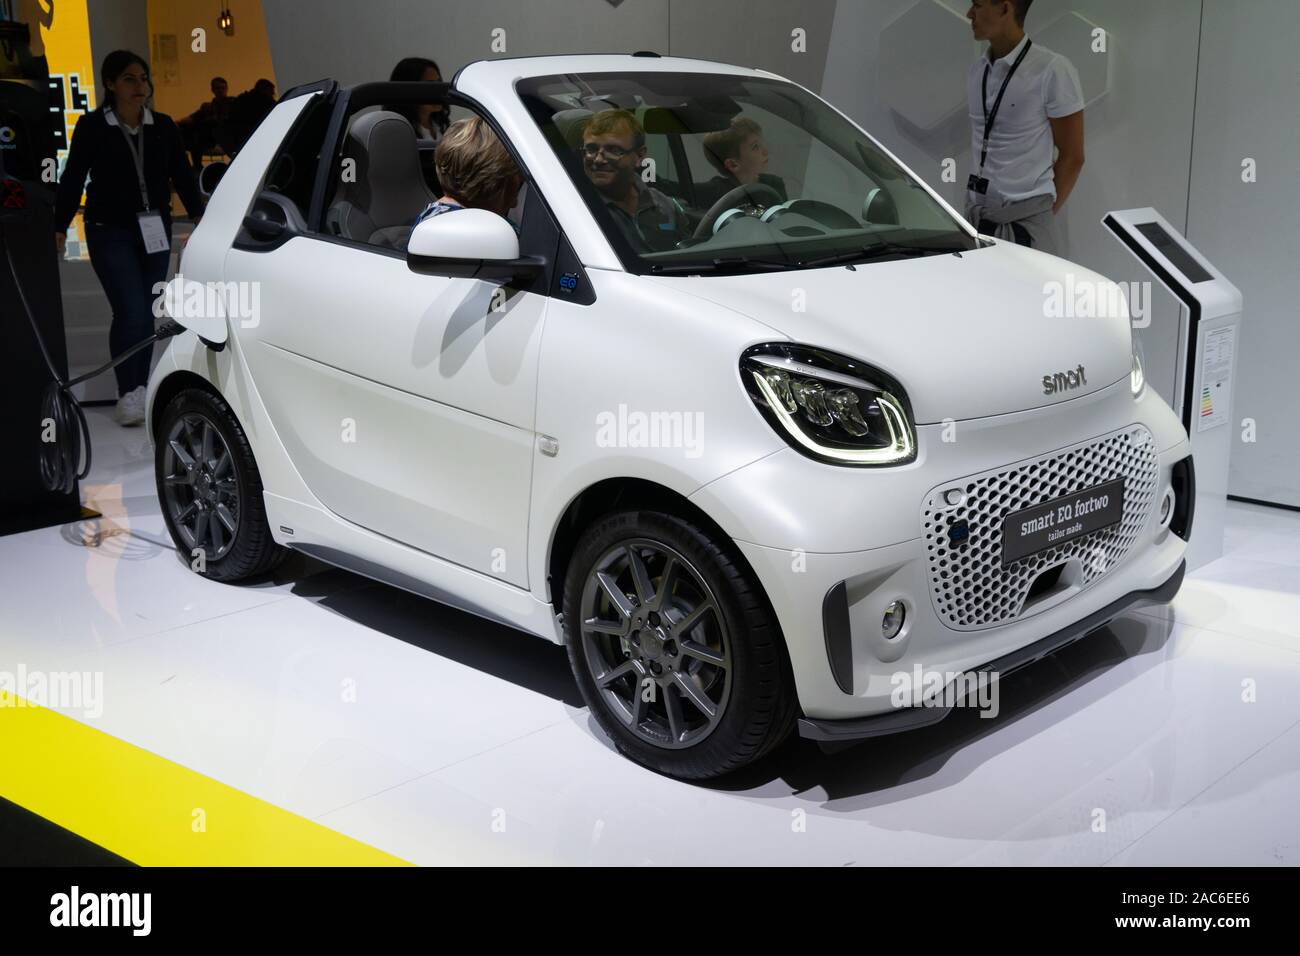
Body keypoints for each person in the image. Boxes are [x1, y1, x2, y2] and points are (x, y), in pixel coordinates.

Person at [53, 50, 204, 426]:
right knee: (131, 310)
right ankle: (129, 392)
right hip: (110, 230)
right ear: (110, 84)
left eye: (144, 78)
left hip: (155, 231)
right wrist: (59, 225)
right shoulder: (93, 127)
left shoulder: (164, 126)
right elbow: (74, 177)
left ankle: (140, 388)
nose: (141, 87)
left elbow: (182, 175)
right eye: (130, 79)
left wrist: (201, 216)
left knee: (147, 312)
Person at [964, 0, 1084, 255]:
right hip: (976, 219)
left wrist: (1038, 213)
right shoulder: (978, 70)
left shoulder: (1052, 69)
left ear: (1005, 9)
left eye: (977, 5)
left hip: (1026, 226)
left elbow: (1073, 156)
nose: (969, 14)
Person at [580, 109, 685, 252]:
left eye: (613, 150)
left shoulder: (663, 205)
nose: (598, 159)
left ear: (639, 156)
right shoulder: (576, 208)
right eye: (591, 149)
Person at [413, 116, 522, 226]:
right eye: (514, 175)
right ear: (488, 184)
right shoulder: (452, 228)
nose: (514, 203)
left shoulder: (443, 218)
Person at [698, 116, 787, 210]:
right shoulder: (715, 191)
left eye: (762, 143)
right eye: (755, 147)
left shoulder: (774, 184)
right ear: (733, 164)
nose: (765, 151)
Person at [385, 57, 449, 142]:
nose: (437, 90)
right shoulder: (397, 131)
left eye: (438, 82)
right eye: (430, 85)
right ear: (409, 90)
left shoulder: (440, 126)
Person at [178, 76, 232, 170]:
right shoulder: (207, 106)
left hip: (219, 135)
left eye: (222, 88)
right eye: (217, 88)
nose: (220, 91)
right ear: (212, 90)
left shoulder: (232, 103)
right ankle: (191, 167)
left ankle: (196, 167)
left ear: (227, 89)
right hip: (204, 136)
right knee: (185, 130)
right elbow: (193, 117)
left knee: (199, 130)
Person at [223, 78, 276, 155]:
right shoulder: (266, 102)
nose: (273, 95)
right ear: (266, 91)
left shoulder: (241, 99)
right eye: (271, 92)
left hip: (239, 141)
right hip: (254, 138)